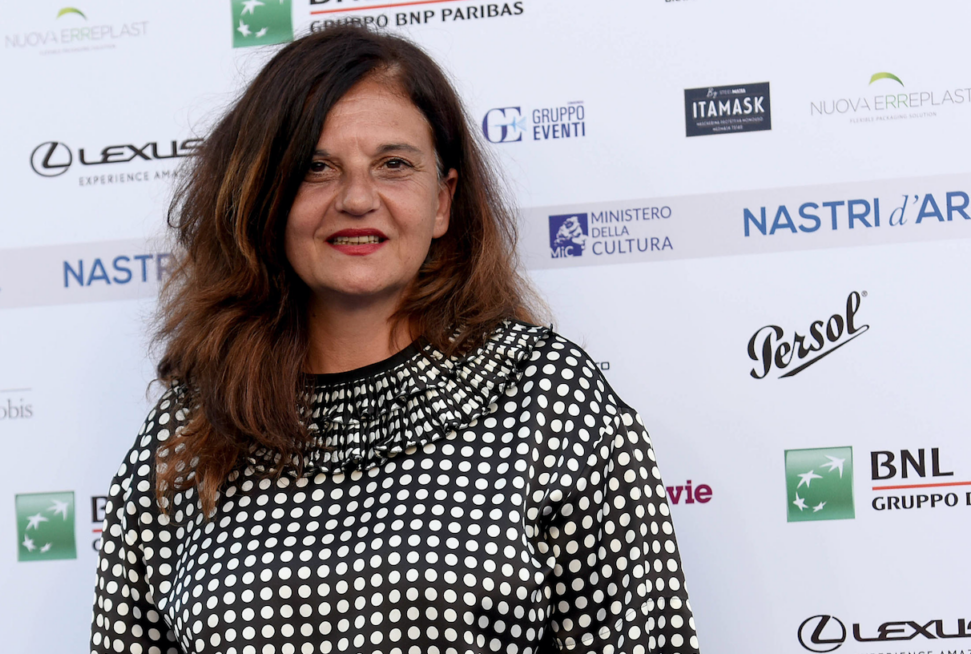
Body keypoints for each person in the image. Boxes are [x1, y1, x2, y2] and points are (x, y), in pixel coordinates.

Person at [92, 25, 699, 654]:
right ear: (265, 199)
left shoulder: (549, 400)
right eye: (316, 168)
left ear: (442, 202)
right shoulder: (192, 431)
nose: (357, 199)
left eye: (394, 165)